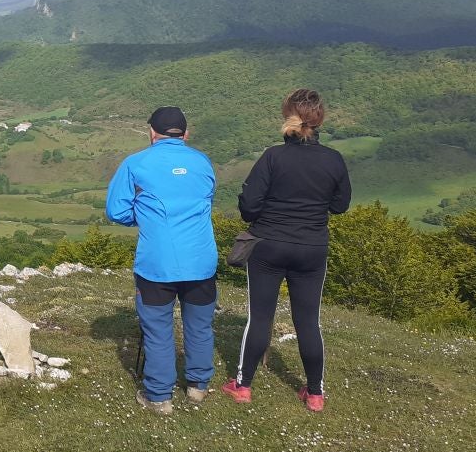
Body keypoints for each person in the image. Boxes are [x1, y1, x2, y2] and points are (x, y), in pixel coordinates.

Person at [223, 88, 351, 412]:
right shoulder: (333, 160)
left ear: (287, 116)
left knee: (260, 317)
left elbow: (250, 207)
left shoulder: (272, 157)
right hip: (312, 248)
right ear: (319, 118)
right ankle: (315, 393)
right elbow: (340, 206)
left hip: (269, 245)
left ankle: (242, 386)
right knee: (308, 321)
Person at [106, 106, 218, 416]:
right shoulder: (202, 162)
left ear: (152, 133)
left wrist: (144, 219)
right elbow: (207, 197)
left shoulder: (136, 163)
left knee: (157, 328)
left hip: (157, 264)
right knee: (200, 325)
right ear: (186, 134)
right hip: (201, 260)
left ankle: (159, 397)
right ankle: (197, 387)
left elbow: (116, 211)